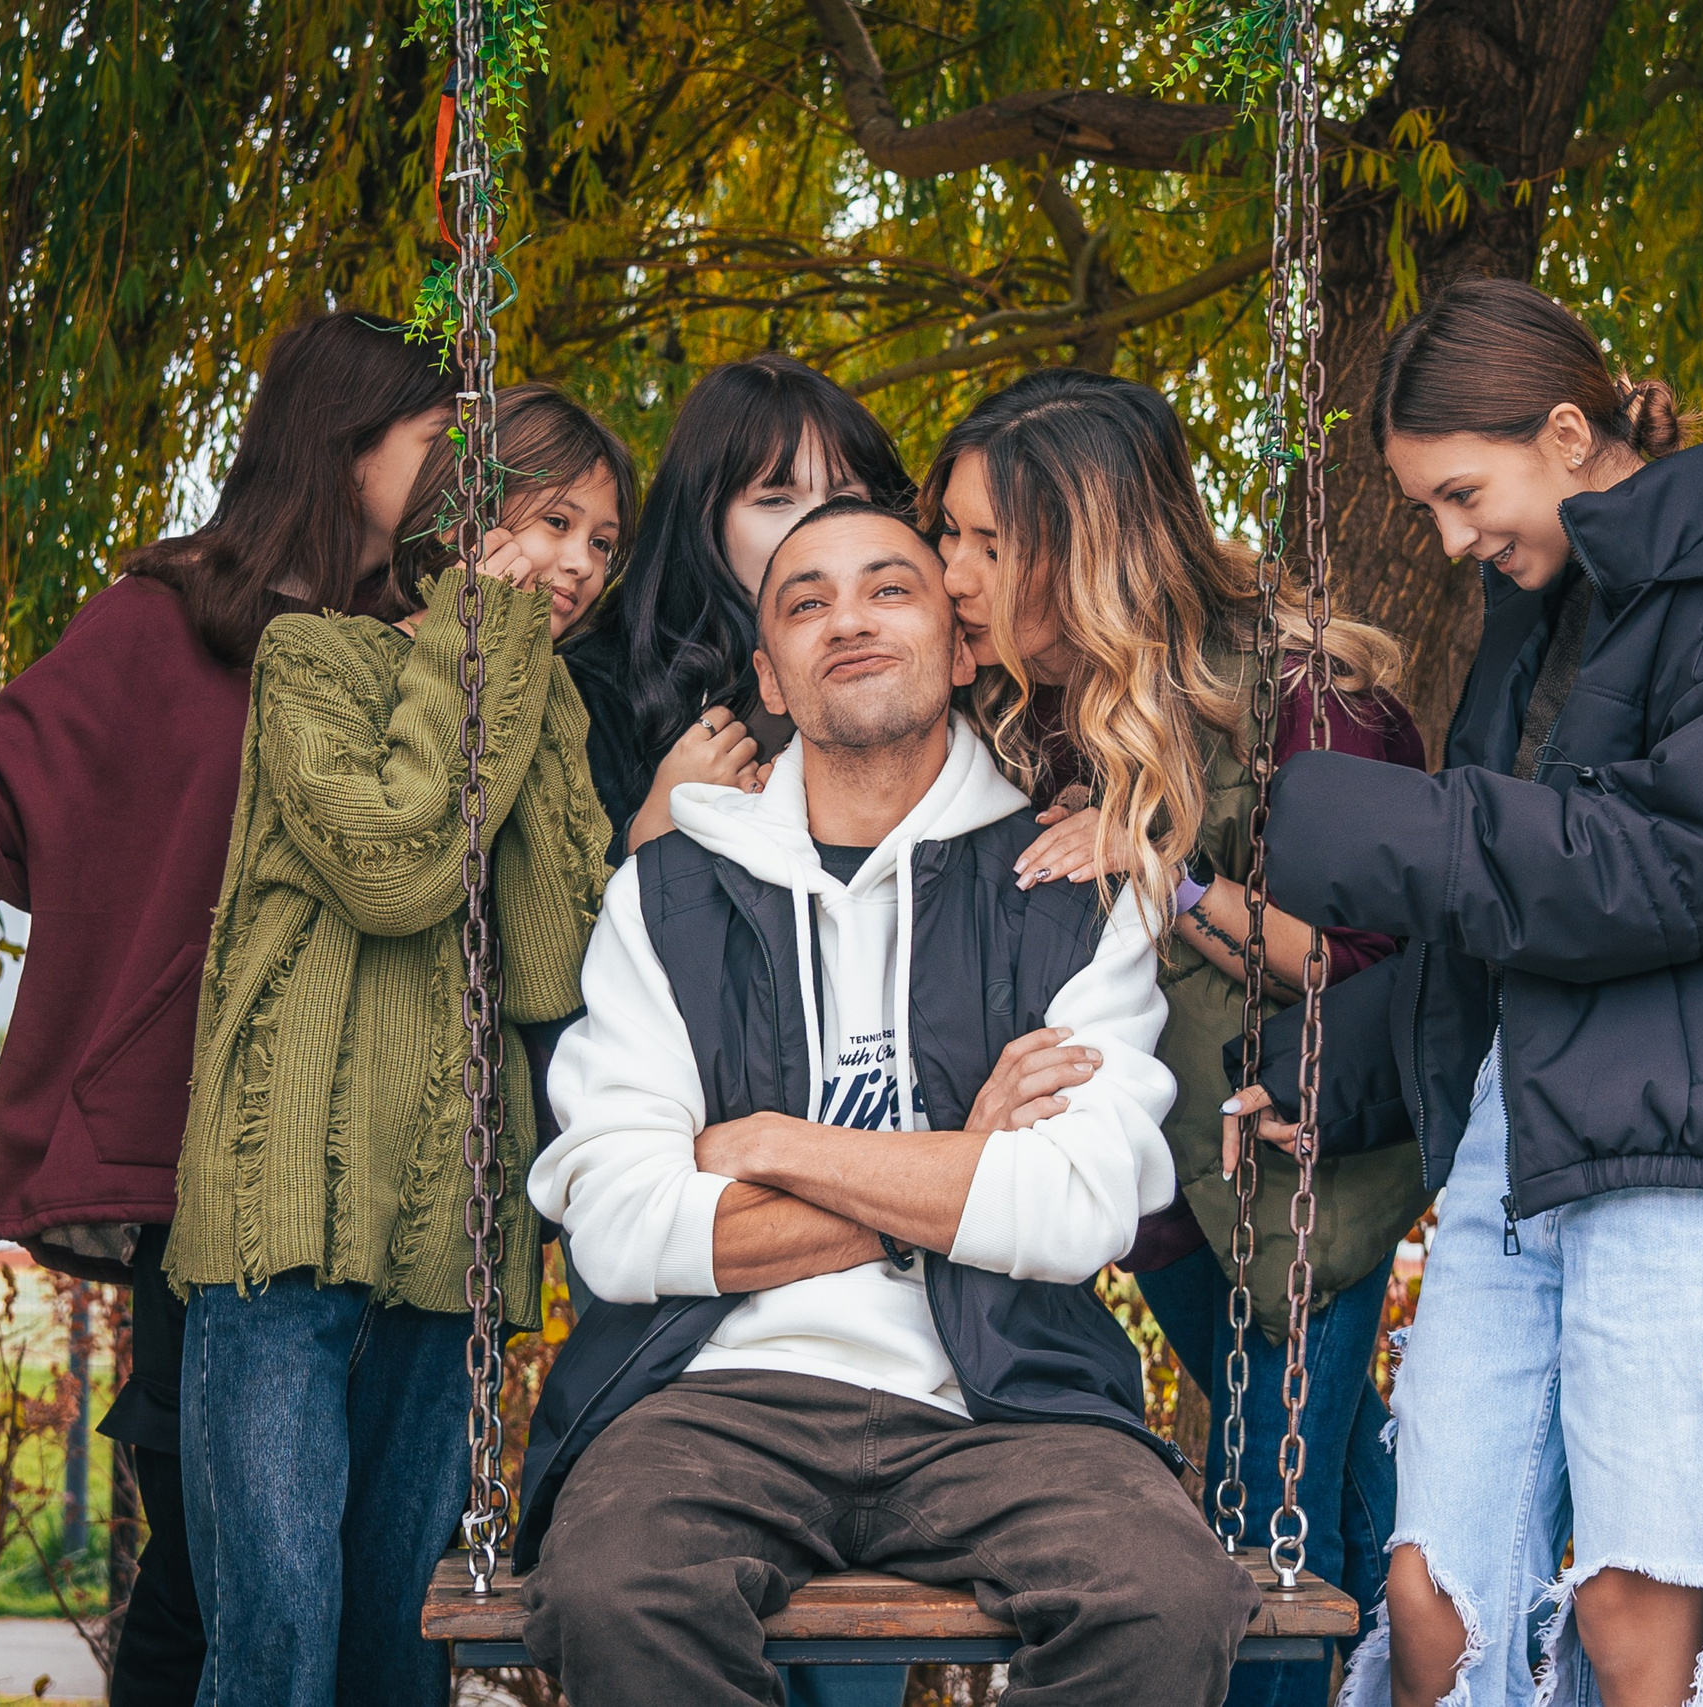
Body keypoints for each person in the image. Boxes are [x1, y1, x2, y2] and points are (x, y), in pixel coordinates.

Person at [1232, 277, 1703, 1707]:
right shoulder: (1540, 622)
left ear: (1567, 431)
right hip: (1528, 1146)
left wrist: (1366, 825)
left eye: (1461, 492)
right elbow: (1514, 933)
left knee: (1645, 1621)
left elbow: (1678, 861)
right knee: (1435, 1602)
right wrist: (1337, 1071)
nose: (1452, 539)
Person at [0, 310, 468, 1706]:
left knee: (379, 1602)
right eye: (441, 442)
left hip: (397, 1180)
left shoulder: (446, 652)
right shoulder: (166, 630)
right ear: (346, 444)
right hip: (210, 1172)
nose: (472, 478)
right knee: (214, 1586)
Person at [521, 496, 1261, 1705]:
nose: (847, 621)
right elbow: (616, 1225)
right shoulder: (666, 898)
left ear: (962, 646)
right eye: (805, 603)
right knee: (613, 1592)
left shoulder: (1067, 884)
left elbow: (1077, 1210)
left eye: (889, 590)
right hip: (712, 1398)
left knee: (1165, 1602)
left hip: (1009, 1397)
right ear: (769, 671)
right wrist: (957, 1162)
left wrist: (767, 1148)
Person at [924, 368, 1428, 1707]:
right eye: (951, 533)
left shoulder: (1307, 700)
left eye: (988, 541)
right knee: (1344, 1480)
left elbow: (1374, 968)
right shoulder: (1024, 712)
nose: (954, 570)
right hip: (1160, 1200)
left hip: (1295, 1174)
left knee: (1267, 1528)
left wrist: (1169, 872)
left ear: (1083, 542)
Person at [164, 384, 626, 1707]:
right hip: (280, 1227)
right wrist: (484, 646)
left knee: (390, 1657)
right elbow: (394, 866)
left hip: (451, 1242)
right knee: (278, 1651)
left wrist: (523, 681)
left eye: (602, 542)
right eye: (556, 523)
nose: (581, 566)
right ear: (467, 517)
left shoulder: (547, 701)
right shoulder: (314, 661)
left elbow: (548, 963)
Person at [560, 352, 916, 856]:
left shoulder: (921, 655)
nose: (817, 528)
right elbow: (552, 915)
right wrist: (652, 827)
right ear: (704, 520)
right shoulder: (595, 691)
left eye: (842, 499)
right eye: (775, 500)